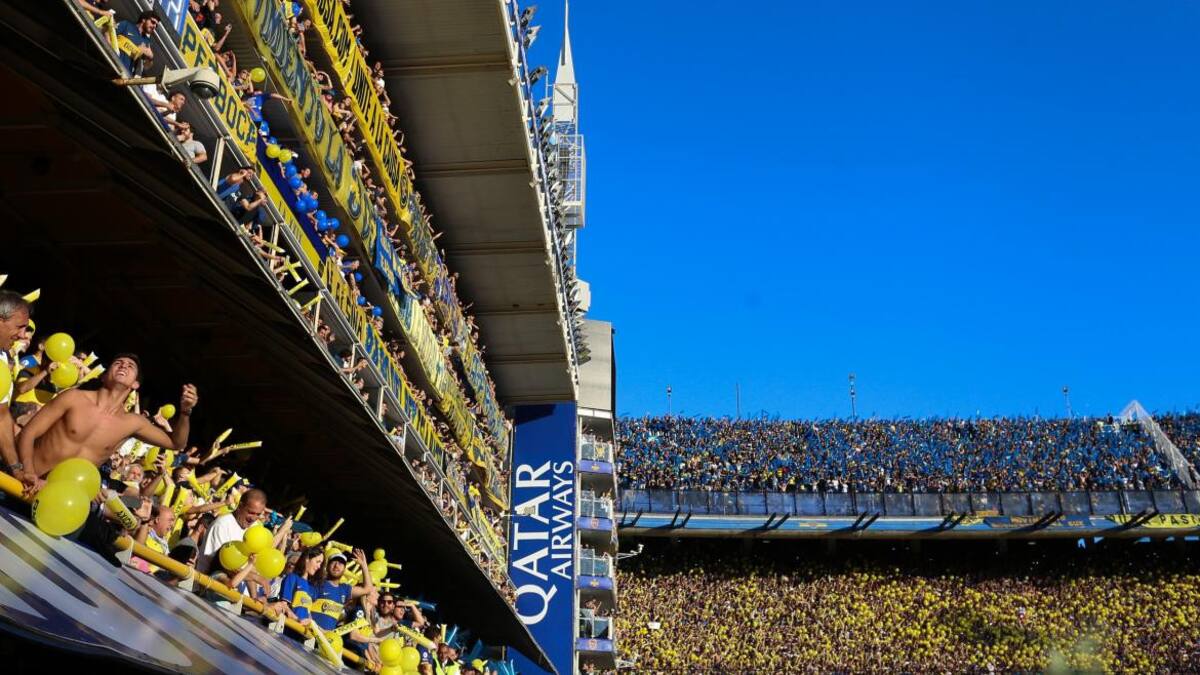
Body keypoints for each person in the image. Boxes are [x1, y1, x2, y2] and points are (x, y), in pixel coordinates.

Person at [15, 354, 197, 486]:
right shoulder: (74, 398)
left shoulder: (133, 422)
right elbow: (29, 432)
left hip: (65, 499)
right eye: (118, 363)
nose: (124, 366)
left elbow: (176, 443)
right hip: (26, 483)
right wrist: (28, 472)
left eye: (130, 366)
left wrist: (185, 413)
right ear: (103, 376)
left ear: (135, 385)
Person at [197, 487, 267, 573]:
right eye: (251, 512)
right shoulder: (222, 525)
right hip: (210, 583)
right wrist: (254, 577)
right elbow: (221, 565)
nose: (253, 518)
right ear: (240, 506)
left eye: (258, 514)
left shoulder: (255, 528)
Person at [0, 291, 31, 473]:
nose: (22, 335)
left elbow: (2, 416)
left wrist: (16, 468)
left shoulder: (3, 358)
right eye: (20, 327)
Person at [310, 548, 373, 633]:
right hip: (309, 632)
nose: (336, 565)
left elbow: (368, 589)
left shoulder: (345, 589)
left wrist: (363, 565)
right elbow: (305, 607)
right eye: (333, 562)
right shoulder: (318, 582)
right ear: (327, 566)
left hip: (326, 639)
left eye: (340, 563)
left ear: (344, 569)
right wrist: (315, 628)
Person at [115, 10, 158, 74]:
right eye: (153, 22)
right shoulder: (126, 25)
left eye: (156, 25)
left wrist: (150, 58)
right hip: (112, 63)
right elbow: (108, 34)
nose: (154, 26)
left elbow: (145, 67)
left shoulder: (146, 42)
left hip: (124, 76)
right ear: (143, 19)